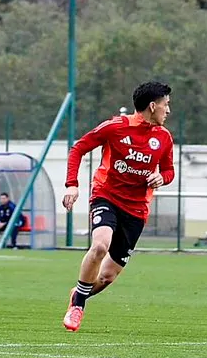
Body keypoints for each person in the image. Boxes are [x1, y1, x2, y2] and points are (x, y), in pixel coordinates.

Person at [60, 79, 175, 332]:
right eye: (166, 105)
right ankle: (78, 305)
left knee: (106, 277)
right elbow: (78, 148)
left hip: (137, 209)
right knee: (100, 245)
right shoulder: (115, 128)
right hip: (106, 196)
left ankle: (78, 293)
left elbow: (168, 171)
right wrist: (72, 184)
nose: (168, 110)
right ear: (153, 106)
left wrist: (161, 178)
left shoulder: (164, 138)